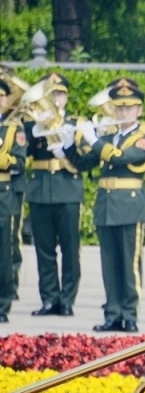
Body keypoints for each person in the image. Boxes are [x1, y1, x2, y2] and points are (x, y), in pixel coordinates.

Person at [64, 82, 145, 332]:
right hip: (106, 207)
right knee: (110, 265)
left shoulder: (144, 139)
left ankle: (130, 315)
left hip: (129, 207)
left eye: (129, 108)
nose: (123, 112)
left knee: (129, 265)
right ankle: (113, 314)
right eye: (119, 108)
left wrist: (93, 140)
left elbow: (121, 158)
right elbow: (84, 164)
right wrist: (68, 145)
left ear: (139, 110)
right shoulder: (107, 138)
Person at [24, 72, 82, 317]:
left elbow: (84, 158)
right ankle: (49, 298)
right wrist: (37, 128)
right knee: (44, 250)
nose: (55, 98)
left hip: (67, 189)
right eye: (51, 94)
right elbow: (22, 150)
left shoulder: (75, 123)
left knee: (70, 249)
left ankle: (67, 299)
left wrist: (68, 148)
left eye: (59, 94)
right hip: (40, 190)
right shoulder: (31, 124)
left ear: (66, 97)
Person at [0, 79, 27, 322]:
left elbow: (19, 163)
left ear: (6, 100)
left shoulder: (13, 130)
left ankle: (2, 304)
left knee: (3, 253)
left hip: (2, 193)